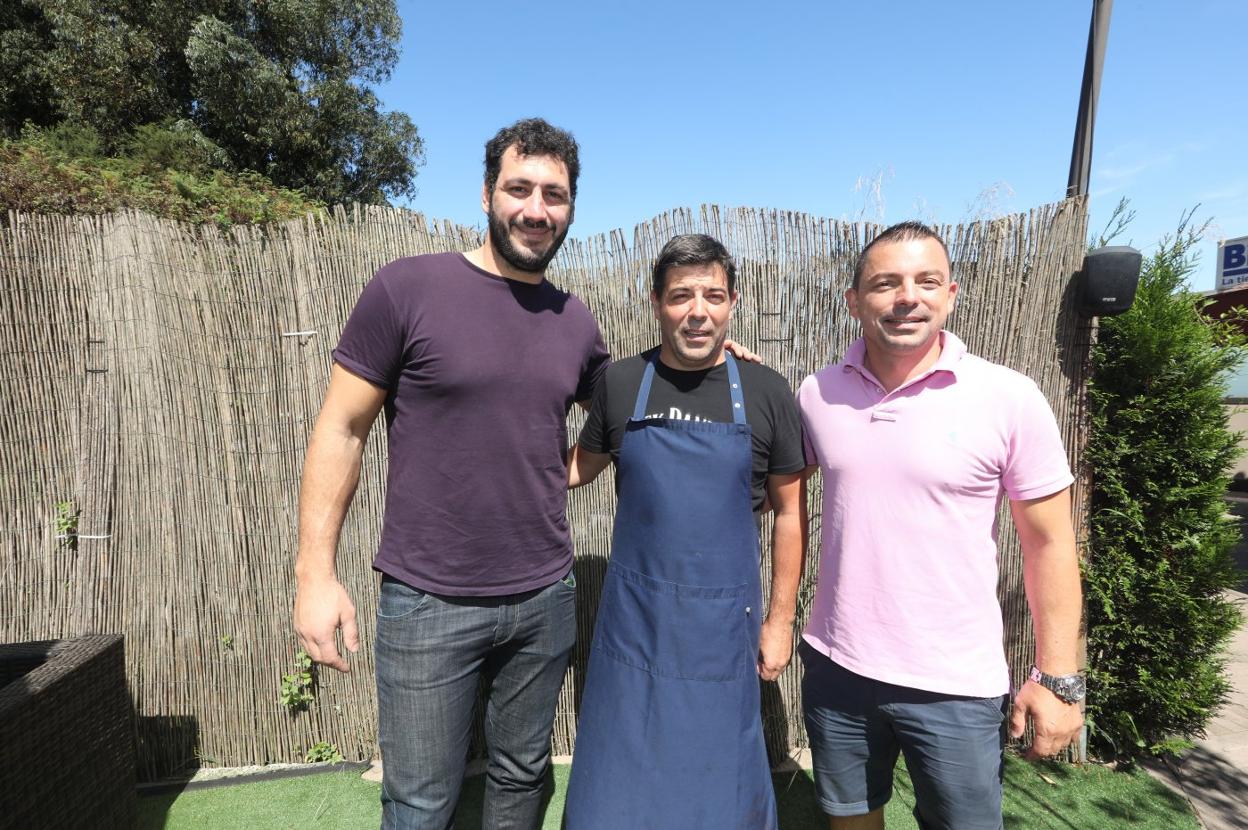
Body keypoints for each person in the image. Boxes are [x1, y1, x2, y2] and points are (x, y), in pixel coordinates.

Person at [293, 118, 609, 829]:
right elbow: (341, 430)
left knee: (524, 782)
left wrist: (707, 359)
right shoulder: (408, 289)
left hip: (544, 597)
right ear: (487, 193)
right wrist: (316, 574)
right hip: (428, 598)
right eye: (519, 188)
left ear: (571, 207)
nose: (536, 208)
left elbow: (618, 411)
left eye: (553, 194)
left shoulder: (574, 321)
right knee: (421, 801)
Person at [796, 221, 1084, 830]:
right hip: (838, 665)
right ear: (854, 301)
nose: (907, 297)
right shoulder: (816, 394)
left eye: (926, 281)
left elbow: (1051, 543)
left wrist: (1058, 678)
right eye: (885, 283)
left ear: (950, 295)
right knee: (850, 821)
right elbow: (774, 481)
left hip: (954, 680)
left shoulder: (1009, 397)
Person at [563, 233, 807, 829]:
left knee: (718, 772)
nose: (698, 311)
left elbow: (790, 514)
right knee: (625, 763)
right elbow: (574, 470)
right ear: (655, 303)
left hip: (725, 625)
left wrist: (780, 621)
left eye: (713, 296)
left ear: (732, 303)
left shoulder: (768, 392)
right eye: (681, 296)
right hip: (636, 622)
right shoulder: (621, 384)